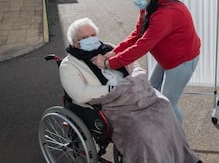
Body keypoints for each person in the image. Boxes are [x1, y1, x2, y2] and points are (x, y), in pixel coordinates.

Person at [60, 18, 201, 163]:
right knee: (142, 129)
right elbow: (80, 93)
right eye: (85, 38)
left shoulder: (107, 48)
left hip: (135, 91)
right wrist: (115, 89)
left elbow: (132, 62)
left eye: (93, 35)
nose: (91, 39)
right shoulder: (69, 65)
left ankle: (182, 156)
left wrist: (137, 76)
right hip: (111, 103)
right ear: (75, 43)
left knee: (165, 106)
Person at [92, 0, 201, 124]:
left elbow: (142, 46)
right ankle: (160, 127)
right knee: (152, 91)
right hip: (168, 58)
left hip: (182, 61)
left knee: (168, 103)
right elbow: (137, 34)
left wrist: (108, 63)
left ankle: (178, 141)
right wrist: (114, 52)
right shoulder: (150, 6)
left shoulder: (166, 13)